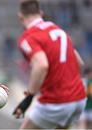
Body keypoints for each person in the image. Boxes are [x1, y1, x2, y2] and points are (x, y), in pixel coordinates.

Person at [13, 0, 86, 129]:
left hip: (56, 102)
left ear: (20, 17)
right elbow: (79, 63)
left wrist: (28, 98)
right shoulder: (59, 31)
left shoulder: (29, 37)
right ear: (41, 13)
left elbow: (41, 65)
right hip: (78, 99)